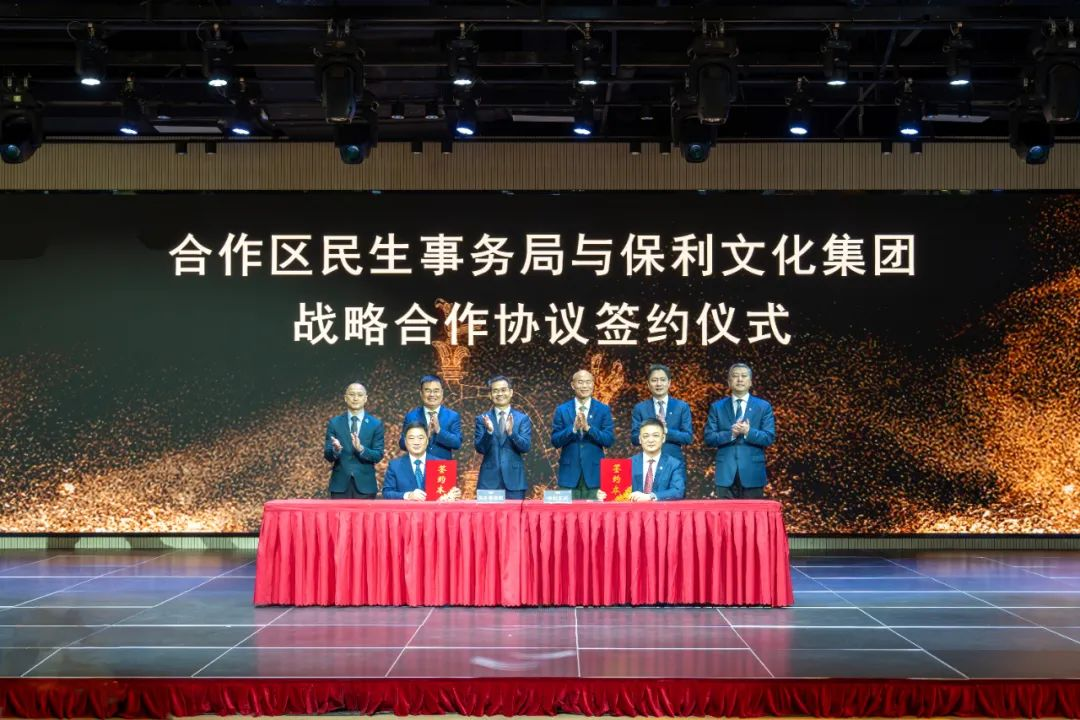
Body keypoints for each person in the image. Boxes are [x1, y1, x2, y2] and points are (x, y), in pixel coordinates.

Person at [703, 363, 776, 499]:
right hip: (725, 474)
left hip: (752, 473)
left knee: (751, 513)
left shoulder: (763, 406)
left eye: (744, 376)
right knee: (726, 513)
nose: (740, 379)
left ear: (750, 382)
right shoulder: (717, 407)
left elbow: (769, 437)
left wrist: (748, 432)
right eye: (735, 376)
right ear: (729, 382)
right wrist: (731, 434)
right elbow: (709, 438)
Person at [551, 369, 614, 500]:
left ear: (593, 384)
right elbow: (555, 441)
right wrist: (573, 429)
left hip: (595, 475)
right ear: (573, 385)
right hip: (568, 476)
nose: (584, 386)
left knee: (594, 512)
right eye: (580, 382)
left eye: (588, 382)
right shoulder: (562, 410)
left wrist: (588, 429)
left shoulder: (603, 409)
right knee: (567, 513)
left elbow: (609, 440)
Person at [474, 375, 533, 500]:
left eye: (503, 390)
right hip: (488, 481)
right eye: (495, 391)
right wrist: (489, 432)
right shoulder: (482, 419)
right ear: (490, 395)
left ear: (511, 392)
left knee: (515, 513)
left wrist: (512, 433)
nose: (499, 394)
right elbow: (480, 448)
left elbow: (525, 447)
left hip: (515, 481)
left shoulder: (522, 419)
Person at [323, 382, 385, 499]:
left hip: (366, 486)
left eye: (359, 395)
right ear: (345, 398)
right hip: (340, 486)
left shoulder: (375, 424)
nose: (355, 398)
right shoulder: (335, 423)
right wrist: (336, 450)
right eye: (352, 394)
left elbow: (378, 455)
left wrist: (361, 449)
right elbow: (327, 455)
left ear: (365, 399)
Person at [630, 363, 693, 461]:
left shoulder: (682, 407)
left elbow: (688, 438)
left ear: (669, 383)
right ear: (648, 384)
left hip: (674, 463)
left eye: (663, 380)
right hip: (648, 462)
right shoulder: (640, 408)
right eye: (654, 380)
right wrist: (651, 433)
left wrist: (665, 431)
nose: (658, 384)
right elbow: (634, 438)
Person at [384, 422, 461, 501]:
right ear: (405, 442)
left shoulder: (441, 464)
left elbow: (448, 493)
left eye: (420, 438)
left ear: (427, 441)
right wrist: (408, 495)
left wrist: (454, 494)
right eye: (411, 438)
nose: (416, 442)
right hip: (406, 509)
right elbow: (387, 493)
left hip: (434, 509)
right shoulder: (395, 466)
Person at [399, 374, 462, 460]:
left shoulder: (452, 416)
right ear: (421, 393)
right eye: (428, 390)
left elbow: (457, 443)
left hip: (442, 467)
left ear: (442, 393)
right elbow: (402, 444)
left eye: (436, 391)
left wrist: (439, 431)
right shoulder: (411, 416)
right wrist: (423, 436)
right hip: (418, 465)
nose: (432, 394)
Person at [628, 418, 686, 501]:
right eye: (646, 436)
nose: (650, 440)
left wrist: (650, 496)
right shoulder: (628, 463)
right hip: (633, 508)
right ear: (640, 439)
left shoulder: (674, 464)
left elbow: (678, 491)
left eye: (655, 435)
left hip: (662, 509)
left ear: (663, 438)